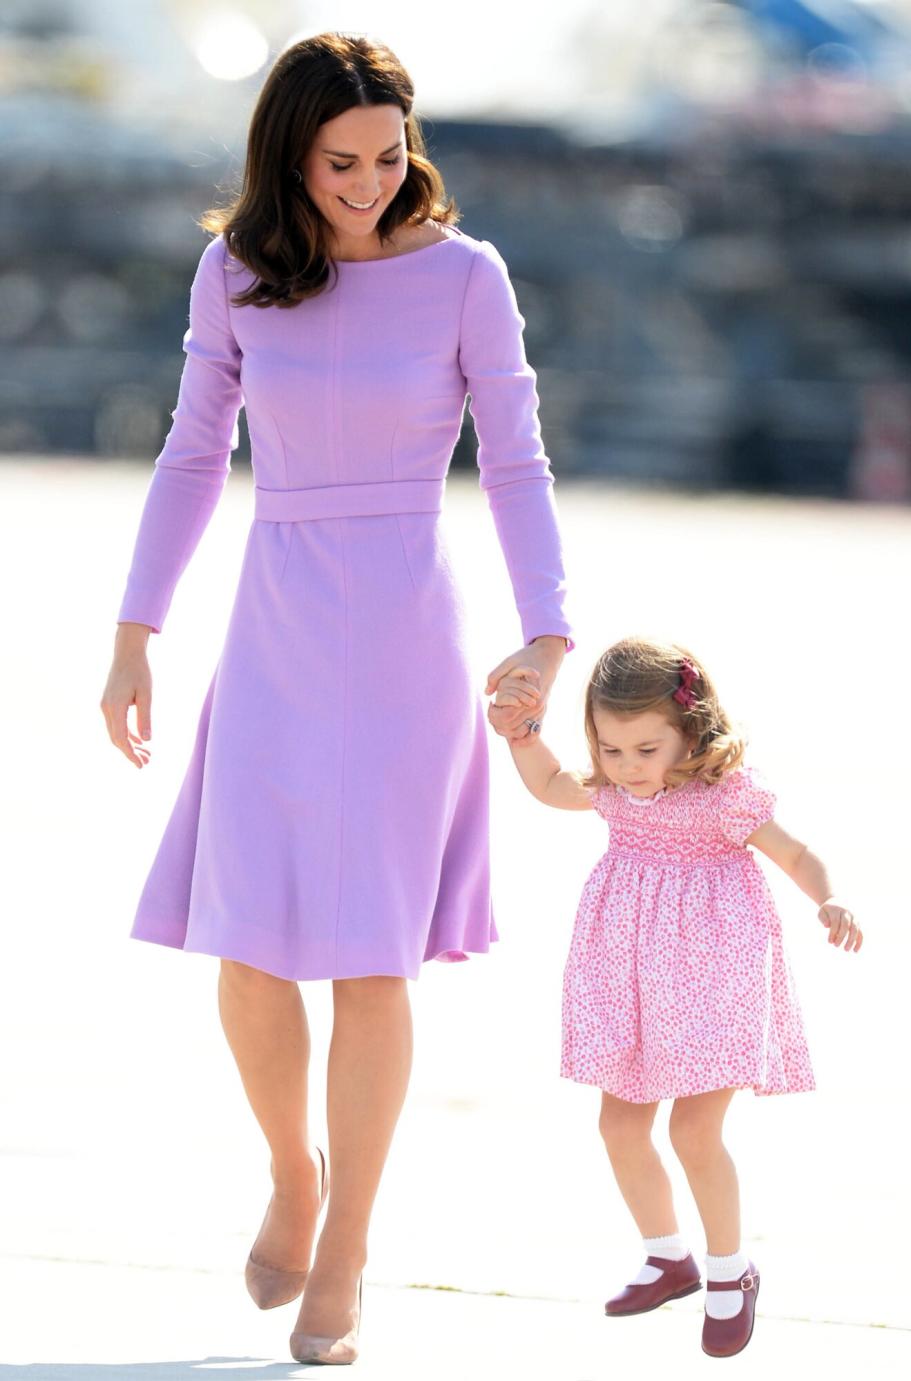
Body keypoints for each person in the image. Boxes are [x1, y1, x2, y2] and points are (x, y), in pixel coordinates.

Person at [99, 32, 573, 1368]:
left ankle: (350, 1241)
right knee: (249, 944)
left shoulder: (468, 277)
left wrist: (548, 635)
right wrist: (136, 630)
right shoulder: (237, 271)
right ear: (288, 157)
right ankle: (292, 1174)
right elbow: (194, 452)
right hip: (275, 623)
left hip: (413, 635)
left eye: (389, 156)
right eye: (340, 162)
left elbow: (521, 461)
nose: (370, 182)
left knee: (373, 955)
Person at [492, 635, 861, 1359]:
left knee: (695, 1131)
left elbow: (793, 851)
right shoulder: (609, 787)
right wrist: (522, 735)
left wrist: (831, 897)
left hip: (712, 970)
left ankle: (731, 1270)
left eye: (646, 749)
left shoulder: (724, 795)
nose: (627, 768)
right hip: (629, 972)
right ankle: (668, 1257)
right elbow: (548, 785)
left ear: (690, 731)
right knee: (621, 1128)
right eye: (611, 748)